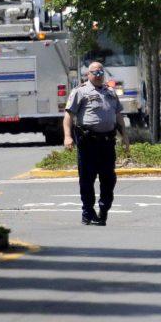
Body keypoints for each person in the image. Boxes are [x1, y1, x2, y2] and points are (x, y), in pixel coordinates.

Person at [64, 61, 128, 226]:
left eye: (101, 73)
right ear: (88, 74)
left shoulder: (111, 92)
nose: (98, 75)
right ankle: (88, 212)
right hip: (88, 142)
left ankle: (103, 209)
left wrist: (125, 136)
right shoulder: (80, 91)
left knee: (109, 178)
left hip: (107, 142)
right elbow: (69, 116)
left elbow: (118, 115)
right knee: (87, 179)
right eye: (95, 73)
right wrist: (67, 137)